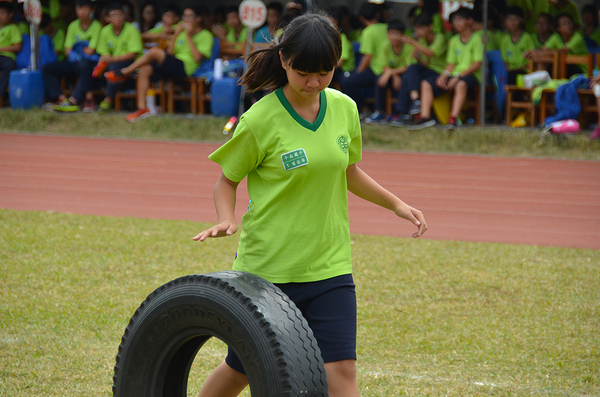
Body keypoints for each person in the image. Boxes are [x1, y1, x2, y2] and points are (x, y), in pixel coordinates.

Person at [193, 12, 427, 397]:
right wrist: (226, 218)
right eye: (303, 73)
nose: (313, 82)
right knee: (241, 369)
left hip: (328, 266)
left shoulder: (345, 108)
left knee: (342, 370)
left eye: (324, 72)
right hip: (268, 269)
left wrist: (396, 205)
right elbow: (227, 180)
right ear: (284, 61)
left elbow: (348, 172)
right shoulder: (259, 119)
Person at [104, 5, 213, 122]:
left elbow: (197, 58)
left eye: (189, 16)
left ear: (198, 19)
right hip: (173, 63)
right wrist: (176, 34)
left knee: (155, 52)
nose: (186, 20)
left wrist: (188, 36)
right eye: (184, 16)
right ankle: (142, 108)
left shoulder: (206, 35)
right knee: (145, 69)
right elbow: (170, 53)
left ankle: (124, 72)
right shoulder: (180, 30)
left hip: (186, 68)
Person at [410, 7, 483, 130]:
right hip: (454, 74)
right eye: (454, 21)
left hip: (472, 75)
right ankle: (425, 116)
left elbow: (477, 64)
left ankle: (453, 118)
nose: (456, 23)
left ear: (469, 21)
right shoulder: (454, 40)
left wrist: (457, 77)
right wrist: (444, 75)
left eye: (460, 20)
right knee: (426, 83)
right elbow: (451, 63)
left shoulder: (477, 38)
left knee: (460, 85)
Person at [43, 0, 102, 112]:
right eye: (79, 8)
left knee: (85, 66)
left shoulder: (96, 26)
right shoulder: (72, 26)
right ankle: (62, 99)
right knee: (46, 68)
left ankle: (74, 100)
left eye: (85, 8)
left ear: (92, 10)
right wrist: (82, 47)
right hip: (73, 62)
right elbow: (67, 51)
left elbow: (91, 51)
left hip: (89, 63)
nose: (82, 11)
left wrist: (76, 48)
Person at [391, 12, 447, 127]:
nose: (418, 31)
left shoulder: (440, 38)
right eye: (416, 28)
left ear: (430, 27)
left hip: (439, 72)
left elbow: (430, 53)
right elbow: (426, 62)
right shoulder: (421, 41)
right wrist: (418, 58)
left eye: (420, 28)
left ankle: (412, 106)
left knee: (410, 75)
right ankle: (407, 109)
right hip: (428, 70)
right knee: (409, 73)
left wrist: (412, 42)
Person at [93, 1, 143, 113]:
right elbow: (104, 52)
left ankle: (108, 100)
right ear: (107, 18)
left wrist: (112, 59)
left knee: (114, 68)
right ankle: (90, 100)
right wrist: (104, 60)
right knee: (91, 68)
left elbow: (133, 54)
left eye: (120, 14)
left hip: (130, 63)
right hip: (112, 63)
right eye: (114, 15)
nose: (118, 18)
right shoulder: (105, 31)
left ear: (124, 15)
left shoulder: (132, 30)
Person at [341, 1, 388, 116]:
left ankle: (363, 109)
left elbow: (368, 57)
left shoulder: (367, 32)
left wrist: (358, 73)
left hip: (377, 69)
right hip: (388, 67)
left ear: (361, 18)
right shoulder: (386, 27)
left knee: (348, 82)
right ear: (378, 15)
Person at [365, 19, 416, 124]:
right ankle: (380, 112)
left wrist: (391, 73)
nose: (393, 37)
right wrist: (393, 75)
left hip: (405, 75)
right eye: (391, 33)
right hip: (393, 74)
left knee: (405, 80)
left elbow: (408, 67)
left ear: (403, 35)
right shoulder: (385, 45)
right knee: (380, 80)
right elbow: (384, 65)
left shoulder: (408, 47)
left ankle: (402, 113)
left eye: (397, 34)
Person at [533, 13, 589, 78]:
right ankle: (540, 83)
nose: (568, 25)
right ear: (558, 28)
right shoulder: (556, 37)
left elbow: (562, 51)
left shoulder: (577, 37)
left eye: (570, 22)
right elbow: (544, 49)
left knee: (558, 61)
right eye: (564, 24)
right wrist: (535, 52)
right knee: (542, 60)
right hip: (565, 66)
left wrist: (539, 53)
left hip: (581, 71)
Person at [501, 6, 536, 85]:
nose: (512, 22)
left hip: (525, 71)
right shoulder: (504, 40)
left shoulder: (527, 38)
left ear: (521, 21)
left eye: (515, 19)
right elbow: (505, 61)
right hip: (510, 72)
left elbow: (532, 57)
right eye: (509, 20)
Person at [0, 1, 22, 103]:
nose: (0, 16)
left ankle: (0, 95)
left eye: (3, 13)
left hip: (6, 57)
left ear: (10, 15)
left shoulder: (13, 28)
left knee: (9, 65)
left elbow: (17, 46)